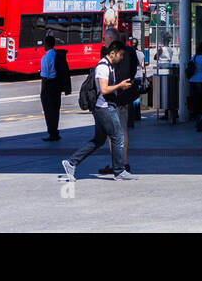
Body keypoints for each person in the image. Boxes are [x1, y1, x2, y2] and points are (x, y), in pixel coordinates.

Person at [60, 40, 136, 181]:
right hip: (104, 108)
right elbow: (104, 89)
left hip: (104, 107)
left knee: (98, 140)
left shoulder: (110, 66)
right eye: (120, 55)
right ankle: (119, 171)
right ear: (112, 53)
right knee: (118, 137)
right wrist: (119, 85)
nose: (122, 57)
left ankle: (71, 162)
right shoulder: (103, 67)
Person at [100, 35, 142, 174]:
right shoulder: (130, 51)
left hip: (115, 96)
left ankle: (117, 164)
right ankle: (124, 162)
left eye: (106, 38)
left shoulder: (110, 54)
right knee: (123, 128)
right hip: (126, 95)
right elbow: (134, 70)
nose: (104, 41)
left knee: (113, 132)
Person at [39, 36, 64, 141]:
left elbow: (44, 76)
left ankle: (52, 133)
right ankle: (56, 131)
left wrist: (42, 91)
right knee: (55, 110)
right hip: (57, 86)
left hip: (49, 86)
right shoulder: (57, 55)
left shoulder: (46, 58)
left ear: (47, 44)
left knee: (48, 111)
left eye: (44, 43)